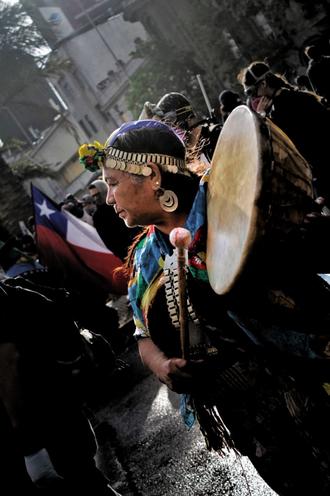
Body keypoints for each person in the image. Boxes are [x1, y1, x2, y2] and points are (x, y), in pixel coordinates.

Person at [80, 118, 330, 496]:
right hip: (251, 417)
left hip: (311, 379)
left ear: (151, 175)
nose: (109, 199)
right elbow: (142, 336)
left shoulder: (236, 200)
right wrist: (162, 366)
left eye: (113, 184)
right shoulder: (147, 260)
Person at [0, 277, 122, 495]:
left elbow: (8, 363)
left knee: (85, 483)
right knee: (89, 482)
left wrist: (31, 448)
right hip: (60, 427)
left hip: (45, 438)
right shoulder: (19, 294)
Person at [238, 61, 330, 202]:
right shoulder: (294, 95)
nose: (253, 97)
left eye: (252, 91)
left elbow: (272, 144)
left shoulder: (279, 110)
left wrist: (262, 117)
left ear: (263, 84)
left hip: (319, 167)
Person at [143, 91, 221, 165]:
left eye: (170, 119)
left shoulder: (216, 136)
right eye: (165, 123)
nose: (170, 126)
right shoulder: (182, 154)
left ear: (186, 115)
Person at [87, 179, 138, 261]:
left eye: (98, 194)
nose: (96, 198)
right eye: (94, 196)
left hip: (140, 240)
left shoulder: (120, 202)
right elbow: (107, 241)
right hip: (126, 254)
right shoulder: (97, 217)